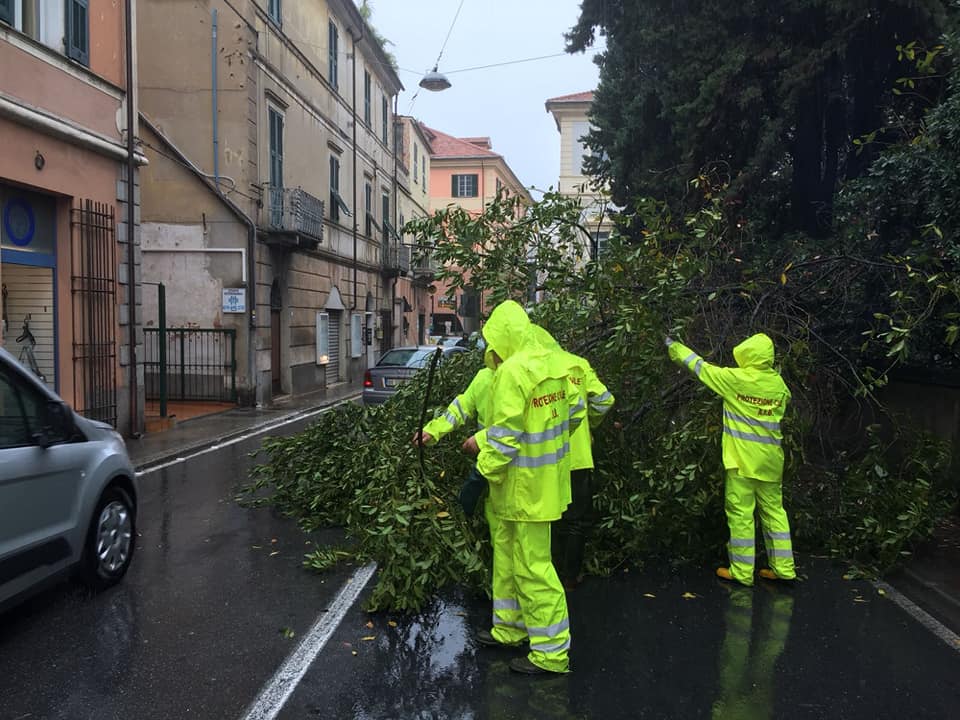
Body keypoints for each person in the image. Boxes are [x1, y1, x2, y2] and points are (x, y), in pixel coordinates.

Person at [464, 300, 585, 674]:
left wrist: (481, 472)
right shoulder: (555, 364)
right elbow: (576, 413)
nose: (493, 352)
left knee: (533, 568)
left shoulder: (512, 373)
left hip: (522, 487)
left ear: (503, 338)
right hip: (541, 485)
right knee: (510, 560)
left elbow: (504, 437)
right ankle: (509, 629)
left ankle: (551, 654)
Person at [666, 333, 796, 586]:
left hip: (742, 461)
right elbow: (784, 400)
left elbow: (701, 368)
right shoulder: (778, 384)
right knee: (774, 513)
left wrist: (674, 346)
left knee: (741, 515)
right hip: (771, 462)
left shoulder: (735, 380)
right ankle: (784, 569)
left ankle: (742, 572)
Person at [531, 326, 615, 590]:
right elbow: (605, 400)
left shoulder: (536, 368)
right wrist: (589, 425)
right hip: (579, 455)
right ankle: (570, 577)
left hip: (548, 455)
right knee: (577, 520)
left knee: (551, 518)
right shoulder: (578, 365)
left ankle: (550, 575)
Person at [412, 366, 495, 521]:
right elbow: (461, 407)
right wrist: (433, 430)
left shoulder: (524, 376)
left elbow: (520, 424)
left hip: (520, 469)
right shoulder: (485, 376)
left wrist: (481, 440)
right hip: (490, 460)